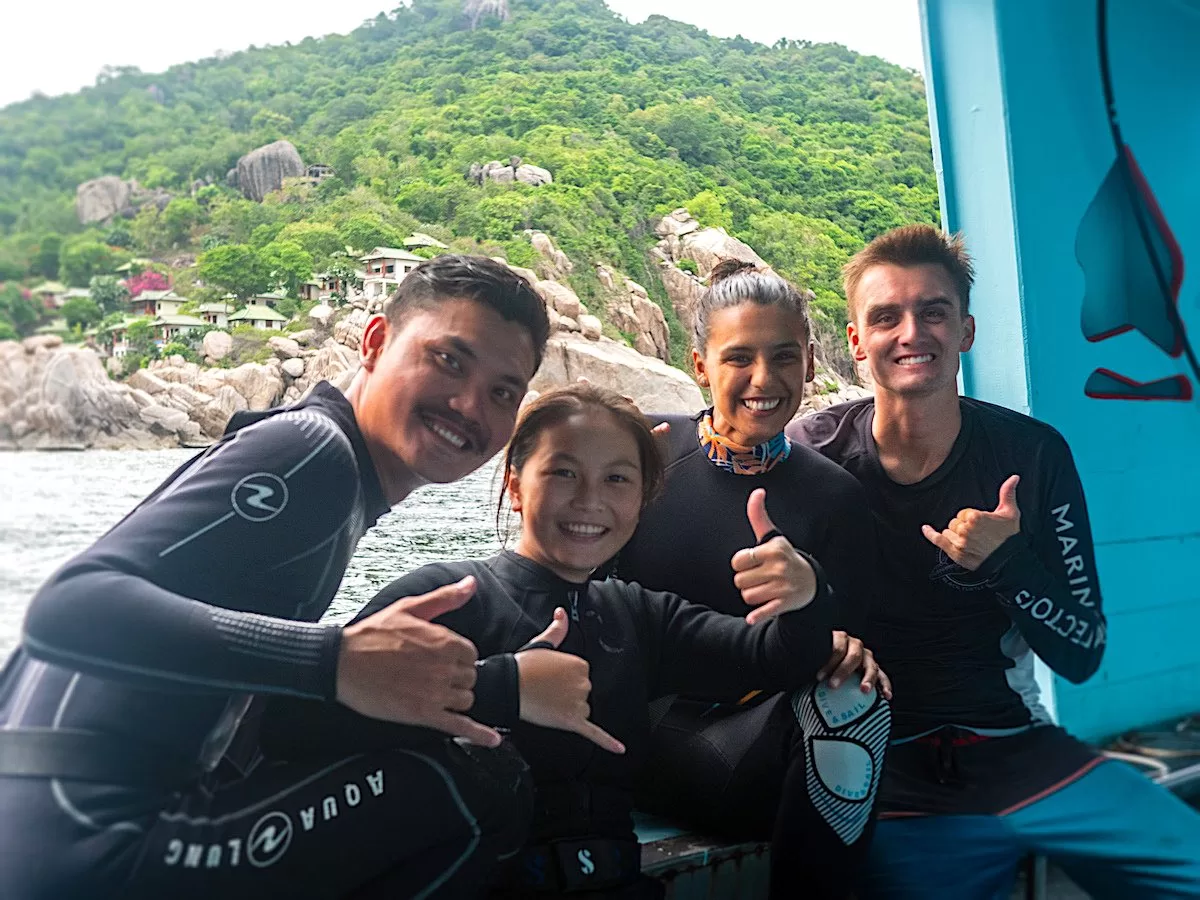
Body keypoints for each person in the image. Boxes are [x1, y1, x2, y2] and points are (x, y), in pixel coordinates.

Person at [0, 255, 551, 899]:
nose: (467, 405)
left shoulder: (328, 472)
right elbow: (68, 608)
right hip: (84, 837)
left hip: (55, 817)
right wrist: (334, 659)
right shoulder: (313, 456)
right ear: (375, 343)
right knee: (479, 788)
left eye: (502, 392)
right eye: (448, 361)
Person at [300, 382, 846, 899]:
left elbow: (777, 660)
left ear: (643, 497)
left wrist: (805, 593)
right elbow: (299, 725)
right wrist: (500, 687)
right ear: (515, 485)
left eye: (617, 479)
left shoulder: (637, 616)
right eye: (563, 472)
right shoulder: (446, 597)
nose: (590, 500)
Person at [789, 224, 1200, 899]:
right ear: (857, 341)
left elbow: (1082, 652)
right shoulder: (813, 456)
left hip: (1019, 748)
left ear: (966, 331)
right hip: (881, 769)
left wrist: (1008, 562)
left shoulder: (1030, 455)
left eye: (934, 311)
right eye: (886, 316)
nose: (911, 332)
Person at [612, 260, 893, 898]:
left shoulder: (836, 497)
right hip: (638, 734)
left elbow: (845, 642)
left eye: (783, 356)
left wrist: (817, 602)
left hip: (754, 749)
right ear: (699, 365)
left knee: (857, 699)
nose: (763, 380)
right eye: (738, 357)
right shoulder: (647, 453)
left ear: (812, 363)